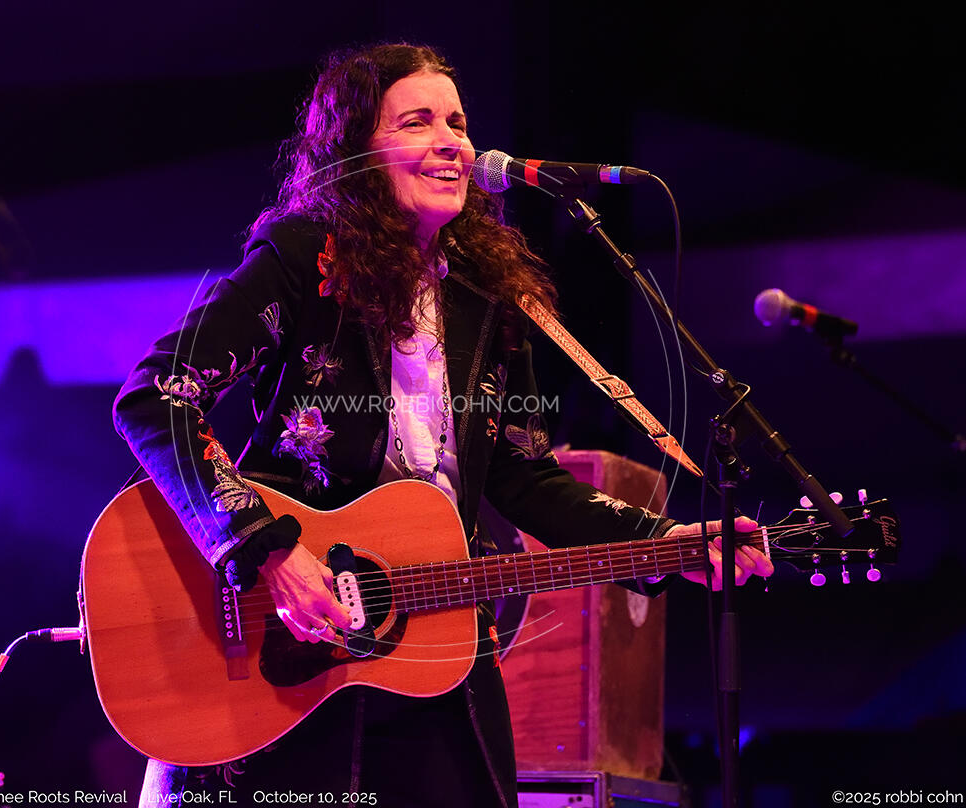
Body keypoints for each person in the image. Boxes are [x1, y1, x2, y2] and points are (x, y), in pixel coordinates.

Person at [113, 42, 772, 808]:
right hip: (289, 647)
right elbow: (155, 396)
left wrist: (663, 541)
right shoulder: (300, 260)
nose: (451, 142)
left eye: (457, 123)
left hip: (436, 651)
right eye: (417, 121)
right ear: (354, 149)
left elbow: (525, 478)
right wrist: (266, 549)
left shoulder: (489, 294)